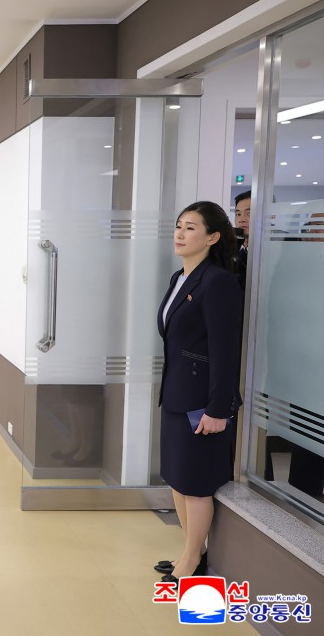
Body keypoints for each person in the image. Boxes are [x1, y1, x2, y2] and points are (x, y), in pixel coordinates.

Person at [155, 200, 242, 585]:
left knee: (195, 485)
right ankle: (192, 549)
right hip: (176, 394)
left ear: (212, 237)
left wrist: (218, 408)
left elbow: (226, 351)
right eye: (179, 226)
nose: (180, 233)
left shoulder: (218, 282)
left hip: (202, 403)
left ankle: (192, 560)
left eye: (190, 228)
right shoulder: (180, 278)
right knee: (177, 478)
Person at [232, 190, 251, 289]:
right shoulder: (232, 249)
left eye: (249, 214)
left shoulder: (281, 244)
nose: (242, 219)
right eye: (238, 214)